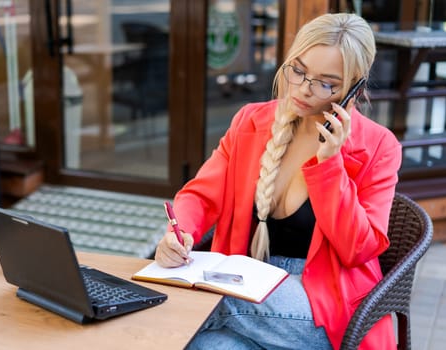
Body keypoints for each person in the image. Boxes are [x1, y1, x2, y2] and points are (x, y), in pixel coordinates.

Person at [155, 12, 402, 350]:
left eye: (325, 83)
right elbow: (201, 195)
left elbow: (358, 248)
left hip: (324, 307)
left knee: (201, 298)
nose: (302, 89)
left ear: (354, 87)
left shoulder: (378, 146)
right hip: (251, 289)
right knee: (207, 345)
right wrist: (179, 232)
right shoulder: (251, 121)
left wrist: (331, 164)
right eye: (298, 71)